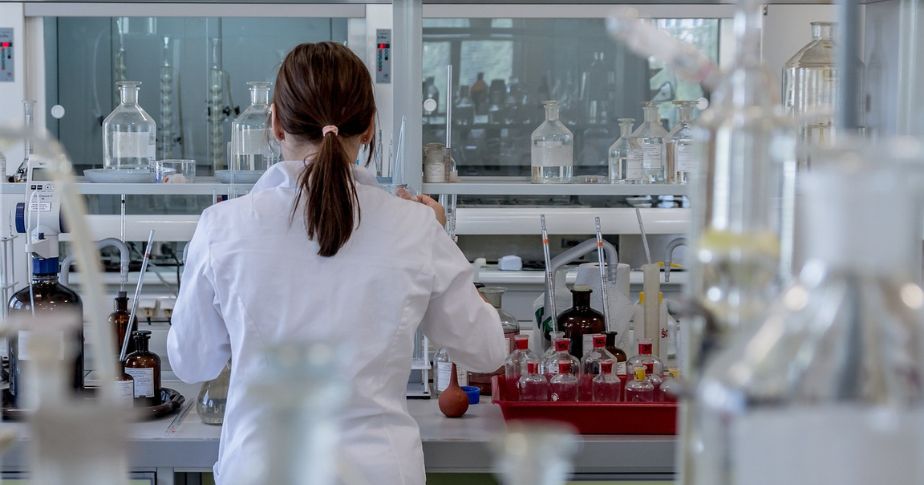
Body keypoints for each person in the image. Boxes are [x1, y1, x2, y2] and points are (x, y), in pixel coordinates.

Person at [167, 42, 507, 485]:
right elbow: (487, 350)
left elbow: (191, 364)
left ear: (275, 122)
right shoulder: (416, 227)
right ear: (368, 127)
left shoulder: (223, 227)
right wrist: (444, 239)